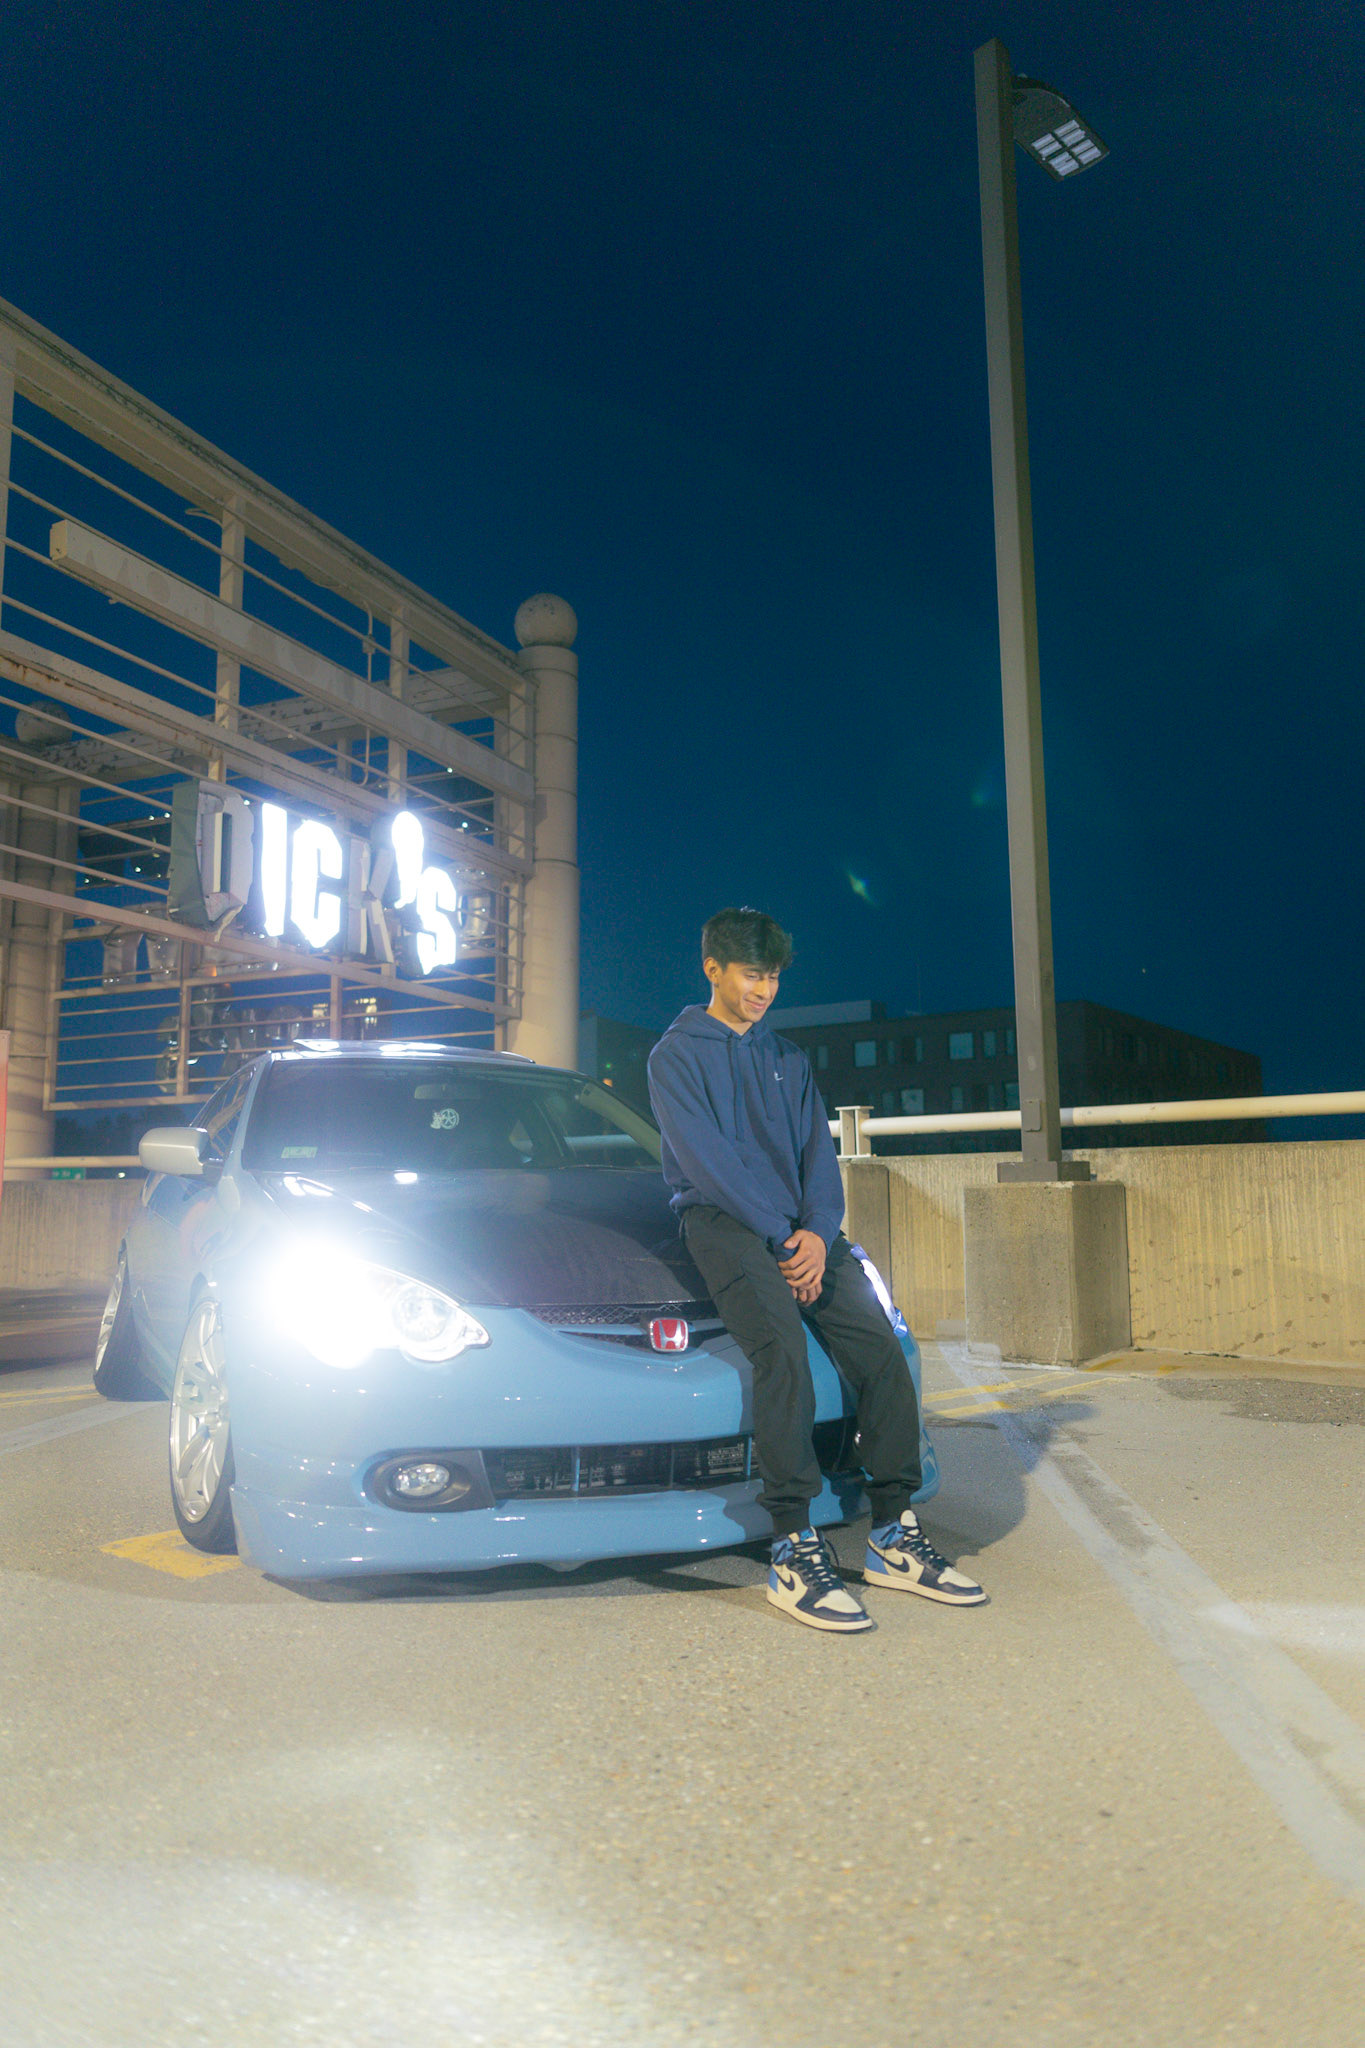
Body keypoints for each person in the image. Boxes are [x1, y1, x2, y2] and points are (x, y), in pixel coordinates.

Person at [647, 906, 987, 1633]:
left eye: (772, 976)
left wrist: (817, 1234)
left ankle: (893, 1530)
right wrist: (782, 1238)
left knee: (881, 1349)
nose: (763, 990)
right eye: (751, 974)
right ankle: (792, 1546)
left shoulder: (789, 1059)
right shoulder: (675, 1056)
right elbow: (710, 1165)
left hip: (804, 1232)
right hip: (724, 1224)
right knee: (784, 1356)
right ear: (713, 969)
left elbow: (817, 1159)